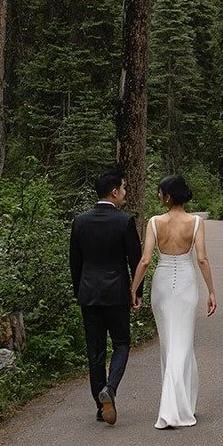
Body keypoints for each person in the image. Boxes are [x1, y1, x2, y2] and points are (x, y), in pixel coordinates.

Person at [130, 174, 217, 429]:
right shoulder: (196, 222)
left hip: (163, 282)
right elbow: (202, 258)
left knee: (169, 343)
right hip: (187, 282)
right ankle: (181, 406)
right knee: (183, 342)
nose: (158, 196)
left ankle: (175, 405)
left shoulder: (155, 222)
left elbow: (145, 260)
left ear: (168, 196)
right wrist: (212, 291)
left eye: (160, 192)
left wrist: (133, 288)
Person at [69, 169, 143, 426]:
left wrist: (79, 290)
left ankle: (101, 407)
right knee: (121, 343)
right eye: (123, 189)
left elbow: (74, 262)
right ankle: (110, 389)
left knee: (95, 351)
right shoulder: (124, 221)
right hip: (116, 293)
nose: (124, 193)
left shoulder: (80, 221)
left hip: (88, 293)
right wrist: (137, 292)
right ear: (114, 192)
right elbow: (136, 260)